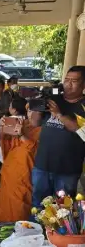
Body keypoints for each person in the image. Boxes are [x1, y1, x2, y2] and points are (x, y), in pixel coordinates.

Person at [31, 66, 85, 206]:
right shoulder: (54, 98)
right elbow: (35, 122)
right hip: (42, 165)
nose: (68, 84)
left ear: (83, 84)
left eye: (74, 81)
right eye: (66, 79)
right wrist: (40, 103)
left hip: (67, 169)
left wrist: (59, 115)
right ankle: (38, 228)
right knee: (38, 205)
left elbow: (82, 131)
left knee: (63, 210)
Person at [0, 98, 40, 222]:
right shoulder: (22, 123)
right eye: (28, 111)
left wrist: (20, 135)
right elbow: (2, 138)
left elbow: (33, 148)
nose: (29, 114)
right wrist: (1, 126)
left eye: (33, 111)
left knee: (20, 211)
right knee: (5, 206)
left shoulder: (44, 130)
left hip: (25, 176)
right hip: (9, 172)